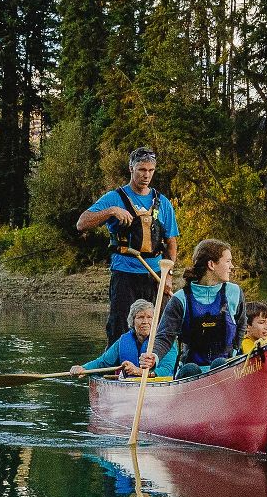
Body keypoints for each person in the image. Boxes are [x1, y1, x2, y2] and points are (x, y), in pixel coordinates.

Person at [76, 147, 179, 348]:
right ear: (131, 168)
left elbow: (171, 243)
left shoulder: (163, 203)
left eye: (150, 170)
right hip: (125, 273)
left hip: (155, 274)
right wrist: (111, 211)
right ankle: (117, 369)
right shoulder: (114, 198)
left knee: (158, 326)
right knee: (120, 326)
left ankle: (154, 368)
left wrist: (169, 276)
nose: (146, 175)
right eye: (141, 169)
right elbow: (82, 223)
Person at [139, 239, 246, 380]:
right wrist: (154, 357)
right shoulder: (180, 299)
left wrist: (235, 352)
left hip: (227, 370)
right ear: (211, 265)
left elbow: (241, 325)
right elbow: (165, 337)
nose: (231, 266)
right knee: (191, 369)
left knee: (220, 364)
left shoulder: (235, 292)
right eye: (228, 261)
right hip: (191, 373)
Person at [69, 299, 177, 378]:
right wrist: (84, 369)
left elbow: (166, 370)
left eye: (149, 317)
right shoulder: (123, 341)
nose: (145, 322)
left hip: (158, 386)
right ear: (132, 321)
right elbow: (103, 362)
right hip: (130, 389)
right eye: (140, 317)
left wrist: (138, 372)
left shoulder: (165, 341)